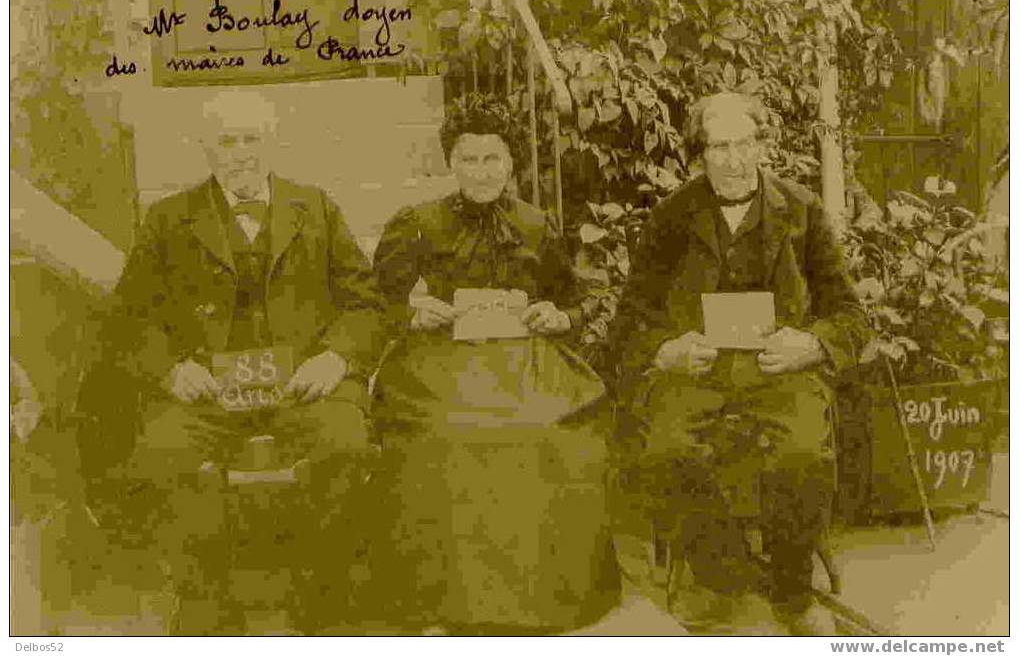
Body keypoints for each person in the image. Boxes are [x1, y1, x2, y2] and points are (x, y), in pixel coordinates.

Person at [78, 90, 384, 634]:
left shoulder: (315, 207)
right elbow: (128, 318)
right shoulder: (169, 219)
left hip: (301, 384)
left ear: (271, 143)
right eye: (226, 140)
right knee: (162, 450)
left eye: (250, 139)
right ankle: (206, 594)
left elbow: (366, 304)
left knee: (345, 441)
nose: (240, 152)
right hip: (209, 391)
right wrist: (172, 368)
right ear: (205, 148)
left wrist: (335, 359)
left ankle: (324, 589)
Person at [611, 92, 868, 635]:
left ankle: (793, 592)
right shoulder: (671, 217)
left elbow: (848, 312)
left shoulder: (801, 210)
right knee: (667, 447)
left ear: (762, 145)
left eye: (744, 143)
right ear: (699, 153)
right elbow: (631, 317)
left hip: (780, 372)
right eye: (719, 146)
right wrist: (667, 348)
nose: (733, 159)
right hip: (697, 372)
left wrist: (813, 344)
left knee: (803, 450)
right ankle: (722, 575)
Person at [370, 94, 620, 634]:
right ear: (450, 163)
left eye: (493, 160)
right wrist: (412, 310)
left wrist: (559, 315)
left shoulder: (534, 224)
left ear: (510, 164)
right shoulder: (417, 222)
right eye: (469, 159)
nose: (482, 172)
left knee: (549, 435)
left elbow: (574, 298)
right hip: (443, 361)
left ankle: (544, 598)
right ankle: (450, 602)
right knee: (446, 436)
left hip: (522, 360)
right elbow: (373, 301)